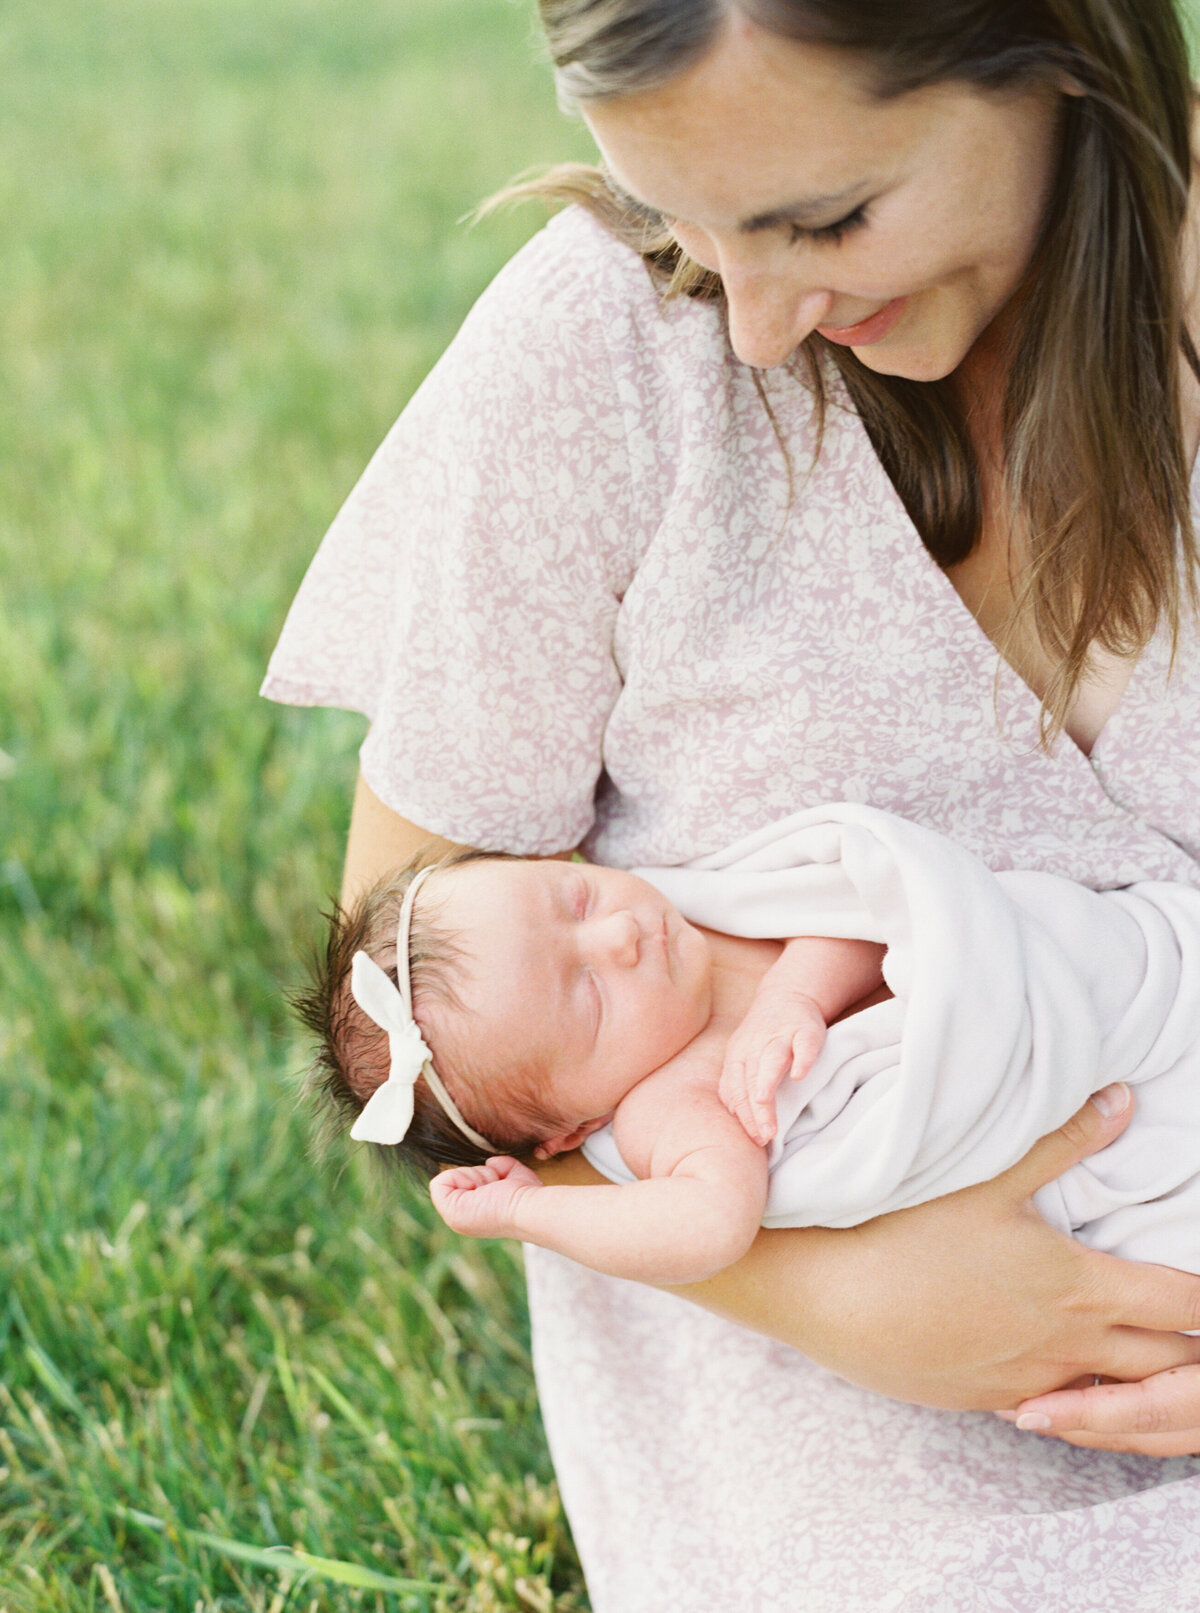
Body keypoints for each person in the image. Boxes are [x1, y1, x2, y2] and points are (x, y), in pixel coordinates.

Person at [263, 0, 1200, 1603]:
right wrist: (849, 1296)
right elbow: (437, 1051)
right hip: (827, 1391)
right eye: (689, 223)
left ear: (1056, 50)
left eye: (826, 217)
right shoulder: (616, 346)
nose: (753, 319)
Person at [303, 809, 1200, 1291]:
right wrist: (529, 1218)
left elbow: (867, 908)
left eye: (572, 900)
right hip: (1061, 1108)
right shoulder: (670, 1109)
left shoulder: (700, 905)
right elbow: (706, 1225)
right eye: (586, 1000)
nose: (618, 938)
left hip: (1072, 974)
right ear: (571, 1127)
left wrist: (798, 992)